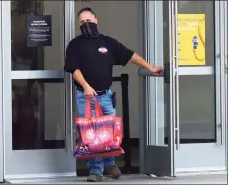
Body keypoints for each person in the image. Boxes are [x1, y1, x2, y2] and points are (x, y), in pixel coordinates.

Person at [64, 7, 164, 182]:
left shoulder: (108, 43)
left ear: (96, 20)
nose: (86, 24)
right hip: (87, 97)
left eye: (88, 20)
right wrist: (86, 87)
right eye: (82, 22)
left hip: (105, 96)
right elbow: (74, 69)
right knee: (93, 134)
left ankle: (110, 164)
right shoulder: (75, 44)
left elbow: (130, 55)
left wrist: (151, 68)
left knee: (108, 132)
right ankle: (96, 171)